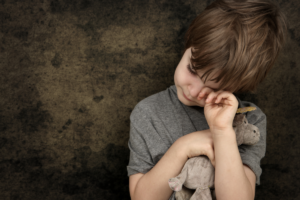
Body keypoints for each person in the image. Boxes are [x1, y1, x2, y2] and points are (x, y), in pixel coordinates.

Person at [127, 0, 287, 199]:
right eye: (192, 70)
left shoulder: (249, 122)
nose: (194, 91)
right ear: (189, 44)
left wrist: (222, 132)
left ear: (238, 86)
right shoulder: (148, 113)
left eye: (214, 88)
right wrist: (183, 147)